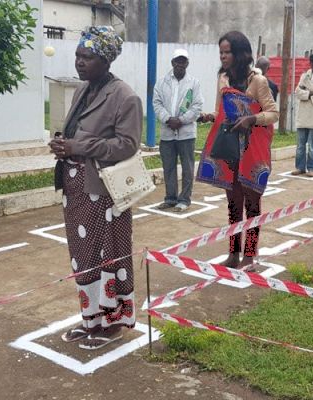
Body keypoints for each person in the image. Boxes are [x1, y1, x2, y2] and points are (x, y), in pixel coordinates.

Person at [48, 26, 142, 350]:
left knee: (110, 254)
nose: (80, 62)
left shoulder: (125, 97)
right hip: (75, 187)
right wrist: (63, 144)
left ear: (105, 59)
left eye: (87, 56)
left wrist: (80, 146)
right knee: (83, 256)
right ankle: (90, 318)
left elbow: (127, 145)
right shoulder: (82, 91)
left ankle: (113, 322)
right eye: (77, 55)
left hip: (104, 191)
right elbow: (77, 135)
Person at [199, 31, 279, 269]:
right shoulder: (222, 79)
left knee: (252, 205)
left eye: (227, 52)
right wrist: (207, 116)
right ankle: (233, 254)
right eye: (221, 52)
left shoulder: (258, 81)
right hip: (230, 150)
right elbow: (220, 111)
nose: (223, 57)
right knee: (233, 204)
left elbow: (274, 113)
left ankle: (250, 255)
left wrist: (251, 119)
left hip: (252, 151)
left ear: (240, 54)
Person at [152, 49, 203, 212]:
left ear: (187, 63)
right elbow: (157, 103)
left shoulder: (194, 83)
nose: (180, 64)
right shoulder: (161, 82)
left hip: (186, 133)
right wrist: (168, 119)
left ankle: (184, 199)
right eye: (177, 61)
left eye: (183, 61)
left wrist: (181, 120)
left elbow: (197, 106)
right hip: (167, 133)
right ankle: (170, 198)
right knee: (169, 167)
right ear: (172, 62)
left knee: (187, 167)